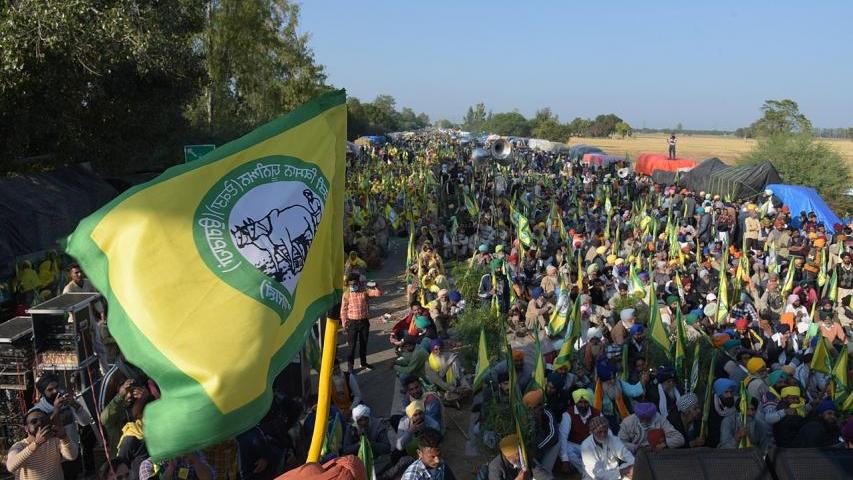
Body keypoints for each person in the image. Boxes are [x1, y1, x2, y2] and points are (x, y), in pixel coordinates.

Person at [33, 374, 93, 480]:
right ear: (43, 393)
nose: (55, 391)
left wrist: (75, 405)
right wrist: (56, 410)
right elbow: (43, 433)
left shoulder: (66, 402)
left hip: (71, 453)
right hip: (54, 460)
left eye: (56, 387)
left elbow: (85, 421)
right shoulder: (38, 411)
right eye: (50, 390)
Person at [5, 407, 78, 480]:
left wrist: (64, 437)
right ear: (26, 429)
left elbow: (72, 456)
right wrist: (36, 444)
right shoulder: (19, 446)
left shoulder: (55, 440)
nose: (40, 423)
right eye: (34, 422)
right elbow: (11, 467)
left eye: (43, 420)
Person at [340, 273, 382, 371]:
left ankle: (363, 363)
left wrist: (374, 285)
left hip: (364, 322)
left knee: (364, 344)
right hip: (352, 323)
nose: (352, 286)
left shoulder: (364, 291)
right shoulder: (346, 294)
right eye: (350, 284)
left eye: (354, 284)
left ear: (358, 282)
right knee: (352, 346)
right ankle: (350, 368)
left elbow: (378, 293)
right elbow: (343, 310)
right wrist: (344, 323)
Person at [558, 388, 600, 475]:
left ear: (589, 402)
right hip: (573, 445)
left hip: (590, 445)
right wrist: (565, 460)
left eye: (586, 402)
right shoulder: (568, 414)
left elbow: (606, 431)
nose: (583, 405)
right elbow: (563, 436)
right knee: (566, 450)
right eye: (580, 402)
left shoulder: (596, 413)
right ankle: (586, 472)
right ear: (576, 402)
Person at [580, 416, 634, 480]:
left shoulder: (614, 439)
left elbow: (626, 454)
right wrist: (621, 472)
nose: (603, 434)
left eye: (605, 431)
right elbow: (596, 473)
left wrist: (633, 467)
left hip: (615, 472)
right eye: (599, 432)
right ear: (592, 432)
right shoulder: (586, 446)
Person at [617, 402, 684, 452]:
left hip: (657, 454)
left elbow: (680, 439)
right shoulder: (627, 422)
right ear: (637, 416)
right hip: (635, 455)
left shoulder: (660, 419)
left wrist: (664, 444)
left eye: (647, 418)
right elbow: (619, 443)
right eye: (642, 418)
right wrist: (636, 447)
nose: (645, 421)